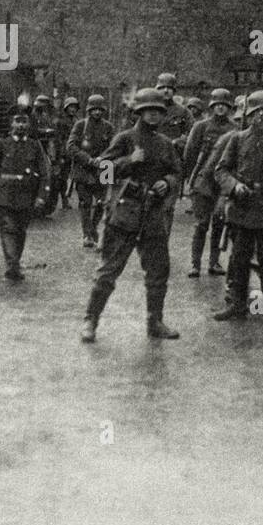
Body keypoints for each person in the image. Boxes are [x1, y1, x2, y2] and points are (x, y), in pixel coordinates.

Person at [80, 87, 182, 343]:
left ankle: (155, 322)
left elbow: (176, 173)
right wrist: (130, 161)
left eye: (158, 111)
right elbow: (102, 172)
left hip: (153, 214)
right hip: (125, 212)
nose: (153, 116)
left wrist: (167, 183)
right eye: (148, 111)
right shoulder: (125, 139)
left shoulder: (166, 144)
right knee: (108, 271)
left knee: (158, 272)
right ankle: (90, 321)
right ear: (139, 112)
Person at [213, 91, 263, 324]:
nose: (261, 116)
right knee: (239, 258)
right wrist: (234, 187)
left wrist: (261, 139)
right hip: (243, 207)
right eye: (257, 112)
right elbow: (221, 170)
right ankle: (237, 304)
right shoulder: (236, 139)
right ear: (250, 114)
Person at [0, 106, 50, 282]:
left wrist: (41, 197)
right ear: (11, 123)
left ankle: (14, 261)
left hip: (26, 198)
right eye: (17, 121)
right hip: (4, 195)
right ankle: (12, 265)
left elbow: (44, 173)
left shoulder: (35, 146)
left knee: (20, 231)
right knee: (8, 230)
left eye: (24, 121)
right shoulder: (1, 144)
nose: (20, 125)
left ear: (29, 124)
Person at [182, 88, 235, 277]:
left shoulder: (235, 129)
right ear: (212, 106)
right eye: (217, 105)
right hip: (203, 182)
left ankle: (214, 263)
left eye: (224, 105)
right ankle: (195, 264)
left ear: (229, 108)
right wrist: (192, 178)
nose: (221, 108)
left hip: (222, 184)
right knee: (201, 224)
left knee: (220, 223)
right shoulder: (201, 127)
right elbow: (189, 153)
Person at [67, 94, 116, 249]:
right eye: (94, 109)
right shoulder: (80, 125)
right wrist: (88, 159)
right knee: (85, 203)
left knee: (103, 202)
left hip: (105, 166)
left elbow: (114, 147)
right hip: (84, 168)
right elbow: (71, 146)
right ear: (89, 110)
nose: (97, 113)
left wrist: (102, 158)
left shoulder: (108, 127)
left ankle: (93, 229)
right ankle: (87, 234)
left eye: (100, 110)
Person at [51, 97, 80, 212]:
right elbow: (57, 139)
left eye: (74, 107)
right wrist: (60, 154)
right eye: (70, 107)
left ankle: (67, 199)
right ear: (66, 108)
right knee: (60, 178)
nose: (73, 109)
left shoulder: (77, 121)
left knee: (72, 176)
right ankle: (62, 200)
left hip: (73, 152)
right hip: (62, 153)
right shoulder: (60, 122)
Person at [154, 73, 194, 144]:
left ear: (174, 91)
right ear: (157, 90)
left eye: (169, 88)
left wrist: (180, 141)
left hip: (175, 151)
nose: (166, 90)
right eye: (162, 87)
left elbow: (192, 133)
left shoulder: (183, 111)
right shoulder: (150, 109)